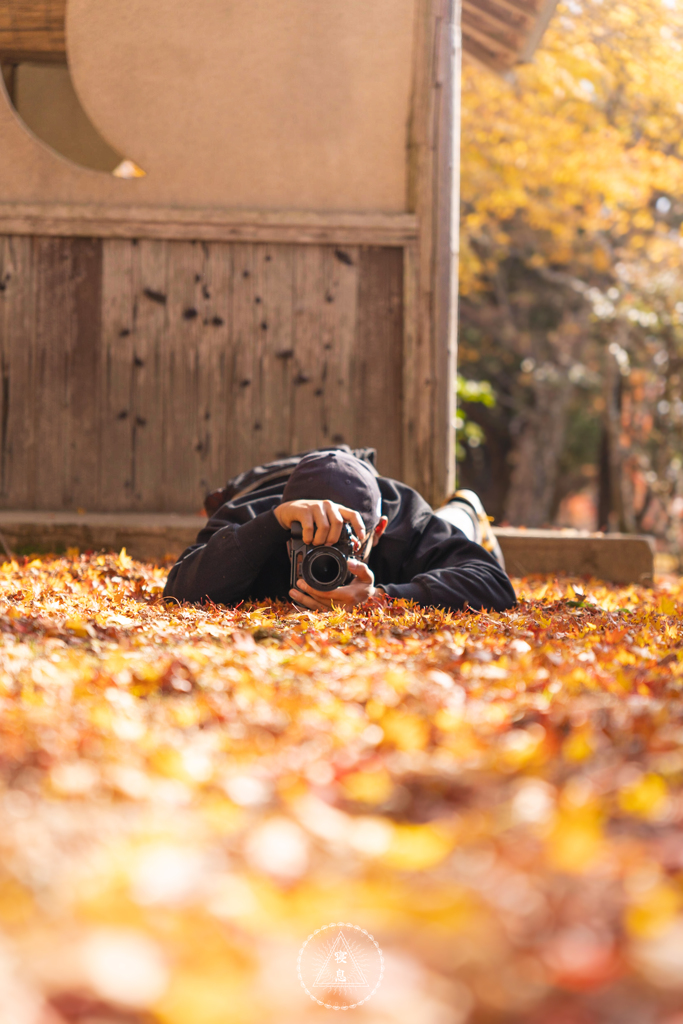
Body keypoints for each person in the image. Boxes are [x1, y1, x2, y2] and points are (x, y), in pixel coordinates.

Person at [163, 448, 516, 612]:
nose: (324, 547)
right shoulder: (252, 518)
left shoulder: (407, 523)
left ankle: (466, 508)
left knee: (457, 524)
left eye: (344, 539)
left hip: (401, 508)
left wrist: (383, 596)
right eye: (308, 534)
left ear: (377, 531)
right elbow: (179, 587)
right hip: (267, 491)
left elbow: (493, 583)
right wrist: (271, 526)